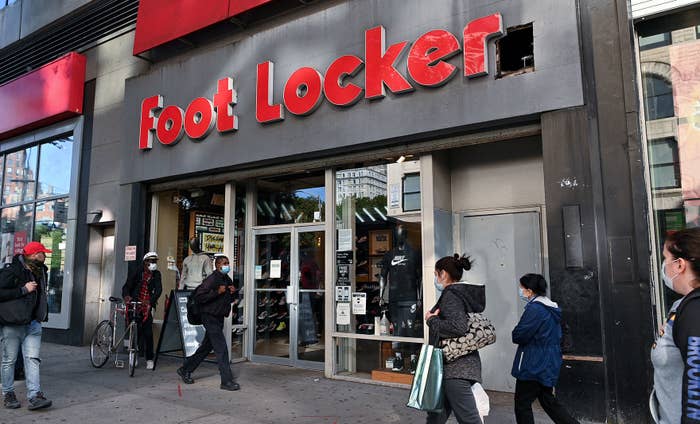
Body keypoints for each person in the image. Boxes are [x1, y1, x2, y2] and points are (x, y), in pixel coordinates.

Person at [424, 254, 484, 424]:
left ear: (443, 273)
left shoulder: (451, 295)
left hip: (456, 370)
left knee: (469, 419)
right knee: (436, 416)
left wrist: (431, 319)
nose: (436, 278)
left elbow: (458, 327)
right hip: (453, 367)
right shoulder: (461, 294)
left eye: (436, 274)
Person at [512, 273, 579, 424]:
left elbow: (518, 335)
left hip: (533, 364)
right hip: (548, 361)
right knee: (548, 401)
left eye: (522, 287)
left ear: (529, 290)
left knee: (522, 404)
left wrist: (516, 332)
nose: (520, 290)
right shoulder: (552, 308)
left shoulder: (535, 309)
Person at [650, 227, 700, 423]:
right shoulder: (682, 306)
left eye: (665, 258)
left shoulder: (694, 310)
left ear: (679, 265)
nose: (663, 265)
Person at [0, 241, 53, 410]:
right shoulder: (13, 270)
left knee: (32, 360)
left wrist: (41, 315)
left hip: (33, 323)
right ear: (33, 255)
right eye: (42, 253)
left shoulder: (41, 271)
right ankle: (8, 393)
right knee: (9, 360)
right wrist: (23, 290)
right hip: (12, 323)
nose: (45, 256)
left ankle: (34, 396)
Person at [177, 255, 240, 391]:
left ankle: (185, 369)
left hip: (218, 317)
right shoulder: (212, 279)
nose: (227, 265)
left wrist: (233, 293)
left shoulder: (226, 279)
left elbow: (229, 298)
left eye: (228, 263)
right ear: (217, 265)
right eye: (224, 263)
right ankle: (226, 381)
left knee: (206, 347)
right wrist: (217, 292)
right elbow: (199, 296)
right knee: (221, 347)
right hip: (209, 316)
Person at [122, 251, 162, 370]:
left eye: (155, 261)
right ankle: (133, 355)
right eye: (151, 261)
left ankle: (149, 358)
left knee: (148, 333)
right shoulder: (137, 271)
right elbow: (127, 286)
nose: (154, 264)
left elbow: (159, 290)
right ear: (145, 262)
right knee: (135, 331)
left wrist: (150, 301)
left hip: (147, 306)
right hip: (135, 303)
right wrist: (127, 296)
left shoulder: (157, 274)